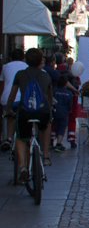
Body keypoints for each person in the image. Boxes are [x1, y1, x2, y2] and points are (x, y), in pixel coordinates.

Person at [10, 47, 54, 180]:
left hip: (25, 112)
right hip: (42, 112)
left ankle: (23, 166)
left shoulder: (20, 74)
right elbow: (49, 98)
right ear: (41, 60)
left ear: (26, 60)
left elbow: (12, 96)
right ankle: (46, 156)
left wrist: (8, 110)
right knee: (46, 124)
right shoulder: (46, 75)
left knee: (21, 137)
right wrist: (50, 110)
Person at [1, 46, 28, 150]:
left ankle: (8, 138)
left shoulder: (5, 67)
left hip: (6, 98)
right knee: (23, 118)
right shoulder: (26, 66)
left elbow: (2, 83)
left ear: (11, 57)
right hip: (22, 99)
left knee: (10, 118)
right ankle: (23, 139)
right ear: (23, 58)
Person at [51, 73, 74, 152]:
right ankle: (58, 144)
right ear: (66, 84)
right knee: (62, 128)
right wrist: (69, 110)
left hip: (54, 112)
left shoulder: (54, 91)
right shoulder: (69, 93)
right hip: (64, 113)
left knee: (53, 126)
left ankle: (51, 142)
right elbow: (70, 104)